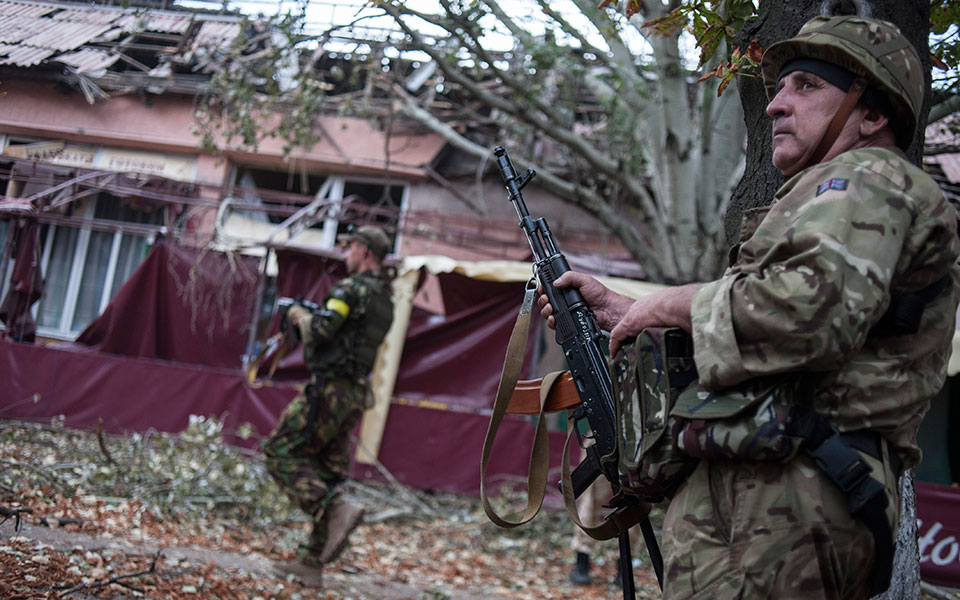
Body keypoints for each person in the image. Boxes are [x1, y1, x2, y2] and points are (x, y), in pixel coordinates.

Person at [539, 15, 960, 600]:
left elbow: (809, 316)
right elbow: (760, 329)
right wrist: (622, 312)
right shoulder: (821, 196)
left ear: (872, 112)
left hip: (795, 493)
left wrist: (670, 303)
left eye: (806, 86)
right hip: (760, 492)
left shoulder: (870, 178)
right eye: (778, 88)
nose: (775, 106)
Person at [264, 225, 395, 587]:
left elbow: (322, 330)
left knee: (280, 451)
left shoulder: (350, 289)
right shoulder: (385, 299)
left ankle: (335, 510)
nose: (346, 253)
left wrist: (297, 317)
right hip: (353, 395)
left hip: (329, 391)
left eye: (351, 247)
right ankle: (309, 564)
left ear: (365, 251)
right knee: (324, 471)